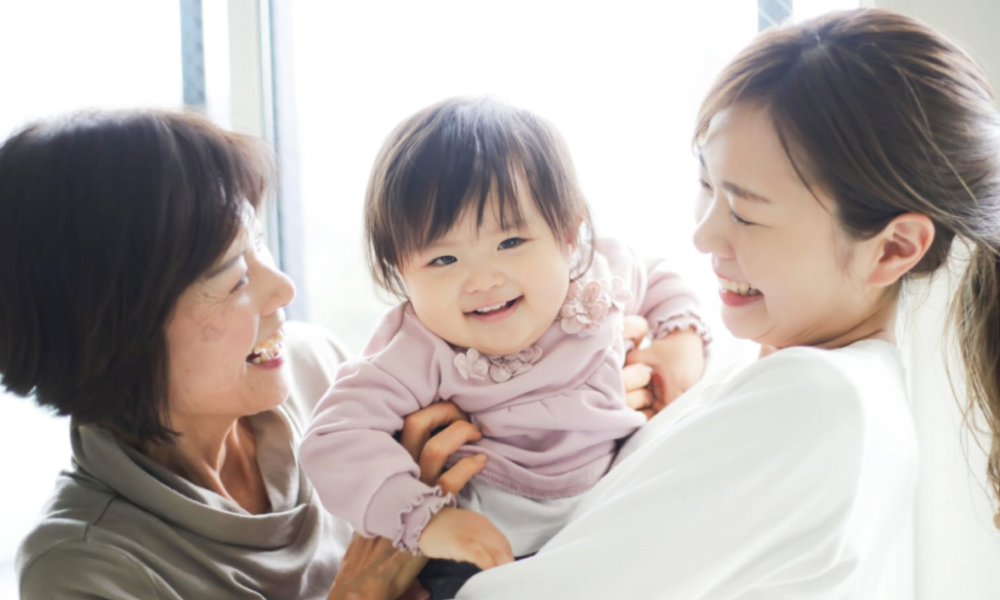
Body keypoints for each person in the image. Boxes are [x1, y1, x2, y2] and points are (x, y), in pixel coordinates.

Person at [327, 8, 1000, 599]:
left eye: (746, 212)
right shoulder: (774, 377)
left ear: (893, 249)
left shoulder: (821, 401)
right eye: (706, 187)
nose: (704, 235)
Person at [0, 110, 657, 600]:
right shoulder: (83, 571)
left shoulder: (314, 367)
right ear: (117, 330)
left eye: (260, 246)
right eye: (234, 276)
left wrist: (587, 395)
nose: (282, 289)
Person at [299, 97, 710, 597]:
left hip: (611, 511)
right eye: (444, 259)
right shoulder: (416, 348)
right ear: (400, 270)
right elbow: (334, 440)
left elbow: (662, 280)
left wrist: (680, 344)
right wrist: (426, 521)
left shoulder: (600, 275)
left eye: (510, 243)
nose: (483, 280)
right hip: (484, 545)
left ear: (568, 233)